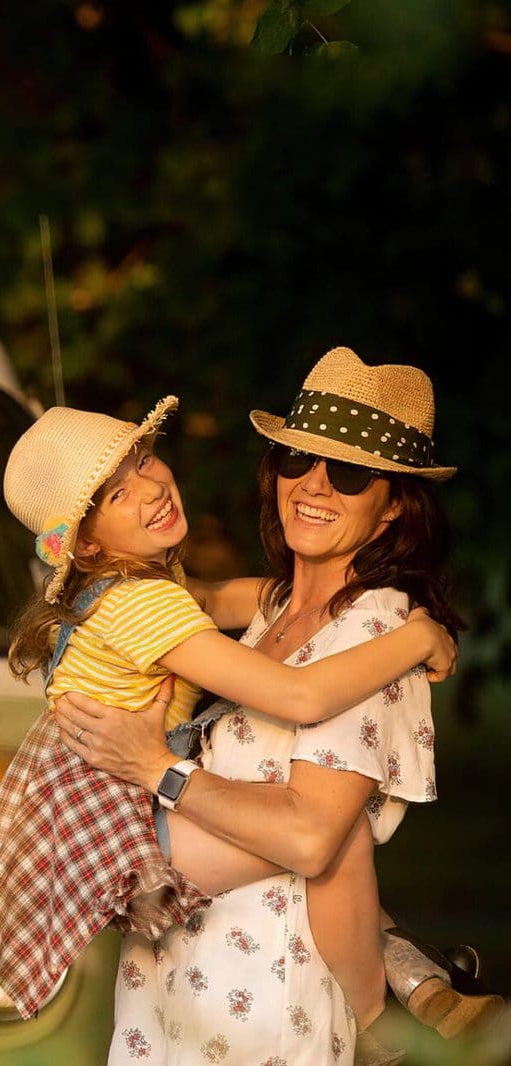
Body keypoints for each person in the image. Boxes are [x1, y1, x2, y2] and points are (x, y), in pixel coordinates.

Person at [0, 382, 455, 1027]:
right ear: (90, 543)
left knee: (324, 841)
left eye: (144, 462)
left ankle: (412, 980)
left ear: (392, 510)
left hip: (102, 812)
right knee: (342, 840)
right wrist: (420, 635)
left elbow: (218, 598)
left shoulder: (125, 588)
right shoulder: (143, 603)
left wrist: (299, 600)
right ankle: (382, 1014)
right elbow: (300, 695)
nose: (152, 488)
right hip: (123, 818)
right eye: (117, 494)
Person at [54, 348, 502, 1063]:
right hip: (166, 997)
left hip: (264, 1007)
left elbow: (311, 841)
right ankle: (413, 975)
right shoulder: (271, 612)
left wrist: (155, 769)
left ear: (392, 510)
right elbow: (208, 598)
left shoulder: (374, 635)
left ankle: (388, 1006)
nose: (315, 484)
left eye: (350, 472)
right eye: (298, 461)